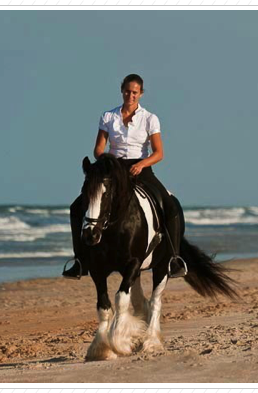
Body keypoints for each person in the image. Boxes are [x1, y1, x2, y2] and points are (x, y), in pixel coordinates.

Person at [63, 74, 185, 279]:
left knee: (170, 205)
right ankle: (80, 261)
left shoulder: (150, 118)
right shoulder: (108, 117)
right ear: (122, 91)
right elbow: (98, 149)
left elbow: (158, 153)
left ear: (141, 94)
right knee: (77, 207)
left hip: (141, 169)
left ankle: (173, 259)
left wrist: (141, 164)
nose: (130, 95)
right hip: (113, 168)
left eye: (135, 92)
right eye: (127, 91)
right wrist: (108, 163)